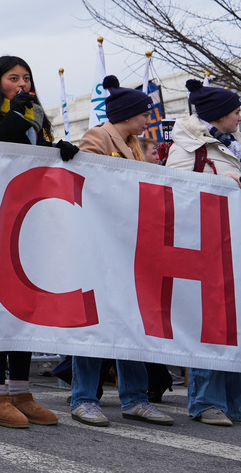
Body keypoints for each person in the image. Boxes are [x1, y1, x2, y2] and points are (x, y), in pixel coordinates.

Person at [0, 55, 77, 429]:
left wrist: (60, 149)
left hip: (29, 220)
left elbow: (37, 156)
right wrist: (16, 117)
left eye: (27, 78)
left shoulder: (36, 115)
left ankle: (22, 392)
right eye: (14, 78)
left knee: (26, 304)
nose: (23, 84)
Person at [71, 75, 173, 427]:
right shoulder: (98, 136)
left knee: (131, 320)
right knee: (94, 322)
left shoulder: (134, 143)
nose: (149, 119)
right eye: (145, 114)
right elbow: (85, 179)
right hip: (100, 242)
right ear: (130, 114)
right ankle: (83, 398)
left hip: (127, 243)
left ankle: (135, 398)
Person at [166, 79, 241, 427]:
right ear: (220, 115)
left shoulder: (229, 146)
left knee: (234, 326)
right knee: (210, 325)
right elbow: (175, 195)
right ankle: (206, 401)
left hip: (232, 245)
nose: (240, 117)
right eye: (236, 111)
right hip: (206, 248)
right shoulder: (188, 148)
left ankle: (233, 402)